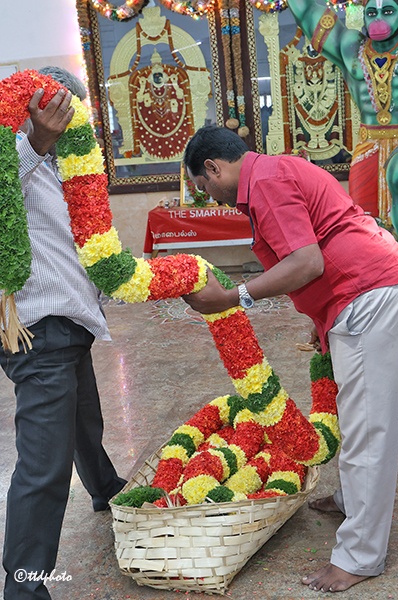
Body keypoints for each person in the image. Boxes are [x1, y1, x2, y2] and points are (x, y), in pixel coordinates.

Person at [182, 124, 398, 593]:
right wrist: (320, 317)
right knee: (354, 413)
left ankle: (360, 556)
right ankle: (352, 499)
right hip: (360, 293)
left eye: (205, 187)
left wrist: (232, 297)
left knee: (367, 430)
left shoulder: (264, 182)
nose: (213, 198)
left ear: (214, 167)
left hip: (366, 294)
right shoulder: (274, 170)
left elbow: (307, 262)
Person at [0, 66, 126, 600]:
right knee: (45, 468)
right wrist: (35, 141)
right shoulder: (13, 156)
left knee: (84, 415)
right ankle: (24, 589)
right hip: (37, 328)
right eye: (60, 107)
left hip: (68, 324)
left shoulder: (62, 163)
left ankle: (103, 487)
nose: (72, 119)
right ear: (35, 105)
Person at [286, 0, 398, 235]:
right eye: (372, 12)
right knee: (365, 228)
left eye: (388, 11)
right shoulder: (351, 47)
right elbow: (306, 12)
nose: (379, 18)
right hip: (368, 148)